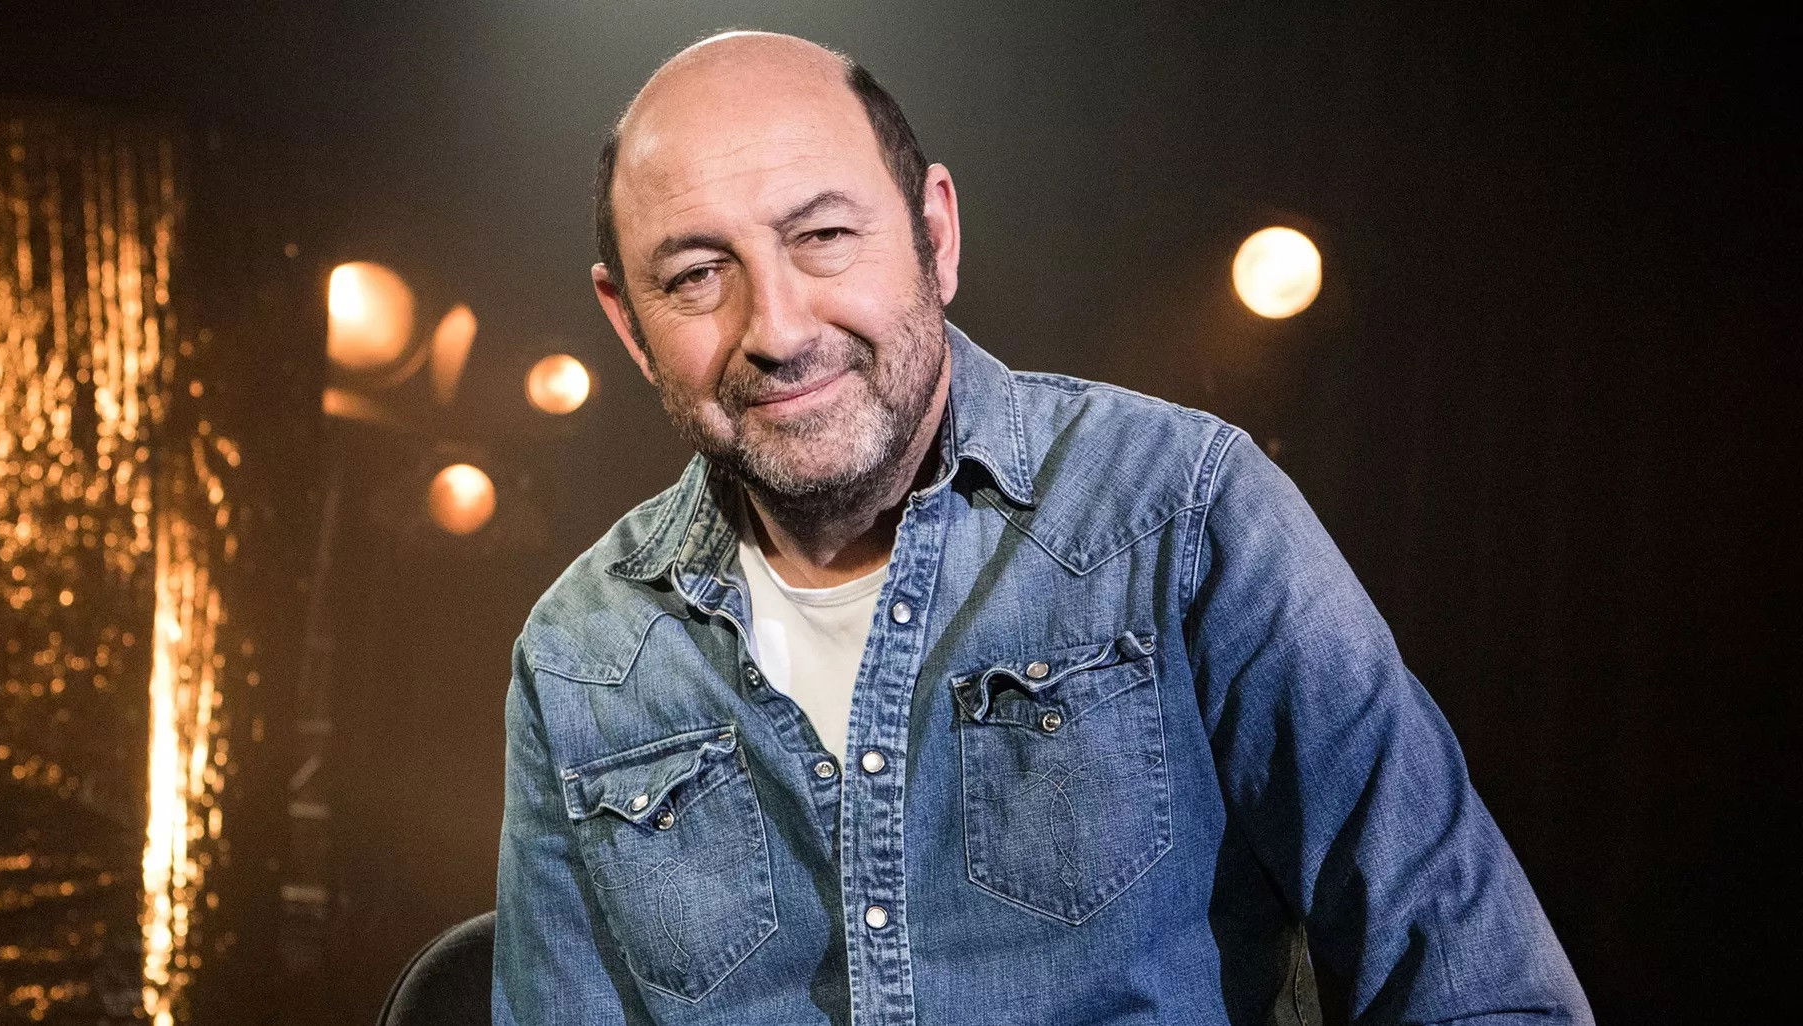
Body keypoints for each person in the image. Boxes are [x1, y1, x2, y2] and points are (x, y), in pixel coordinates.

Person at [492, 29, 1592, 1026]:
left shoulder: (1182, 510)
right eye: (696, 276)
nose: (776, 328)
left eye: (823, 235)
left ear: (935, 234)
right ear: (629, 326)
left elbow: (1488, 991)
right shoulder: (579, 653)